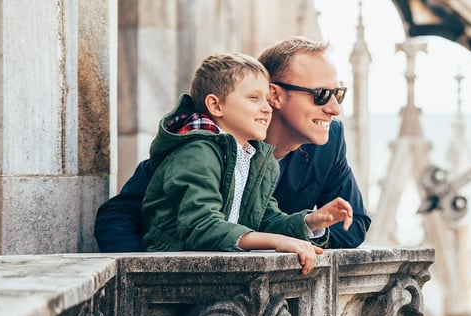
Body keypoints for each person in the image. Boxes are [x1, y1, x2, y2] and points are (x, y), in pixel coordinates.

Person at [95, 37, 370, 252]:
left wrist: (310, 226)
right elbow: (118, 215)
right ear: (275, 95)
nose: (335, 108)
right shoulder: (199, 145)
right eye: (322, 95)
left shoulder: (328, 141)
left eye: (338, 94)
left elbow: (354, 225)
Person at [140, 52, 354, 273]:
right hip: (174, 273)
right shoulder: (196, 151)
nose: (267, 108)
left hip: (219, 269)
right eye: (254, 98)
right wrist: (275, 242)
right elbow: (200, 226)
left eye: (266, 99)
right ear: (215, 105)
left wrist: (311, 222)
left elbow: (265, 218)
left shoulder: (256, 157)